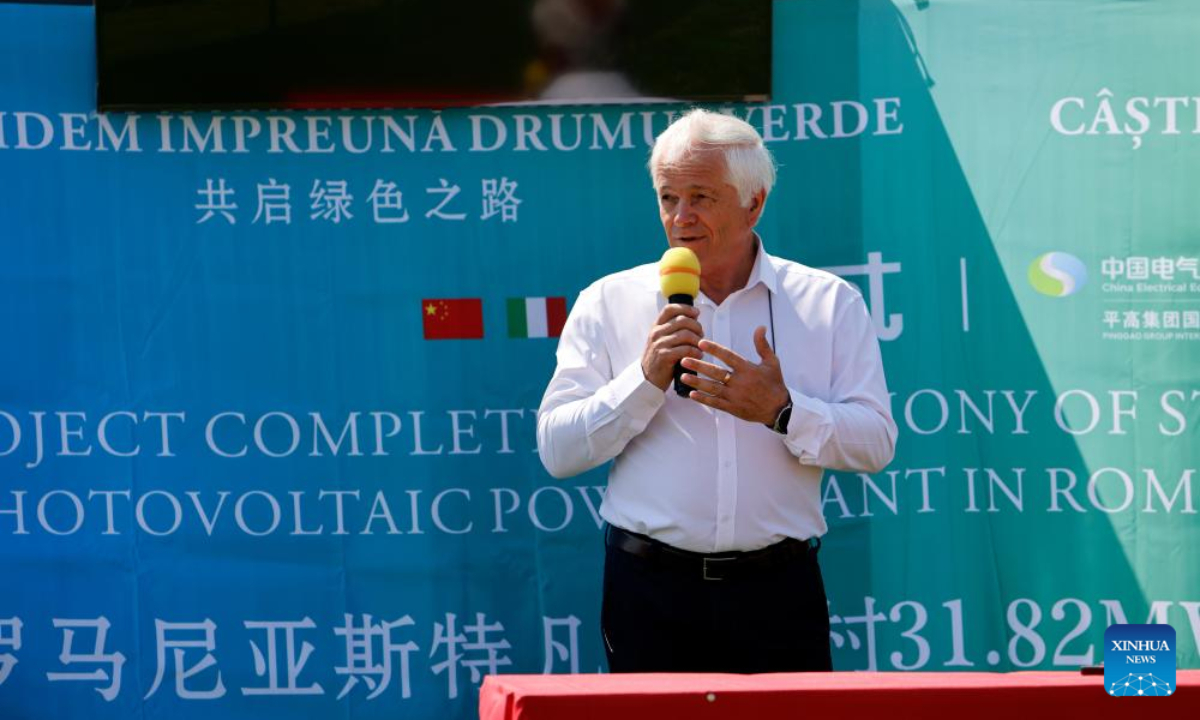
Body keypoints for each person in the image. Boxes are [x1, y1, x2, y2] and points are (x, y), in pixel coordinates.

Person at [536, 108, 897, 673]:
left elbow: (875, 443)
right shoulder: (609, 302)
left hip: (778, 591)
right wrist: (644, 378)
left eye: (701, 197)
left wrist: (781, 410)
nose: (680, 218)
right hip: (648, 592)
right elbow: (558, 451)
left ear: (754, 202)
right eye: (667, 197)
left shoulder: (827, 302)